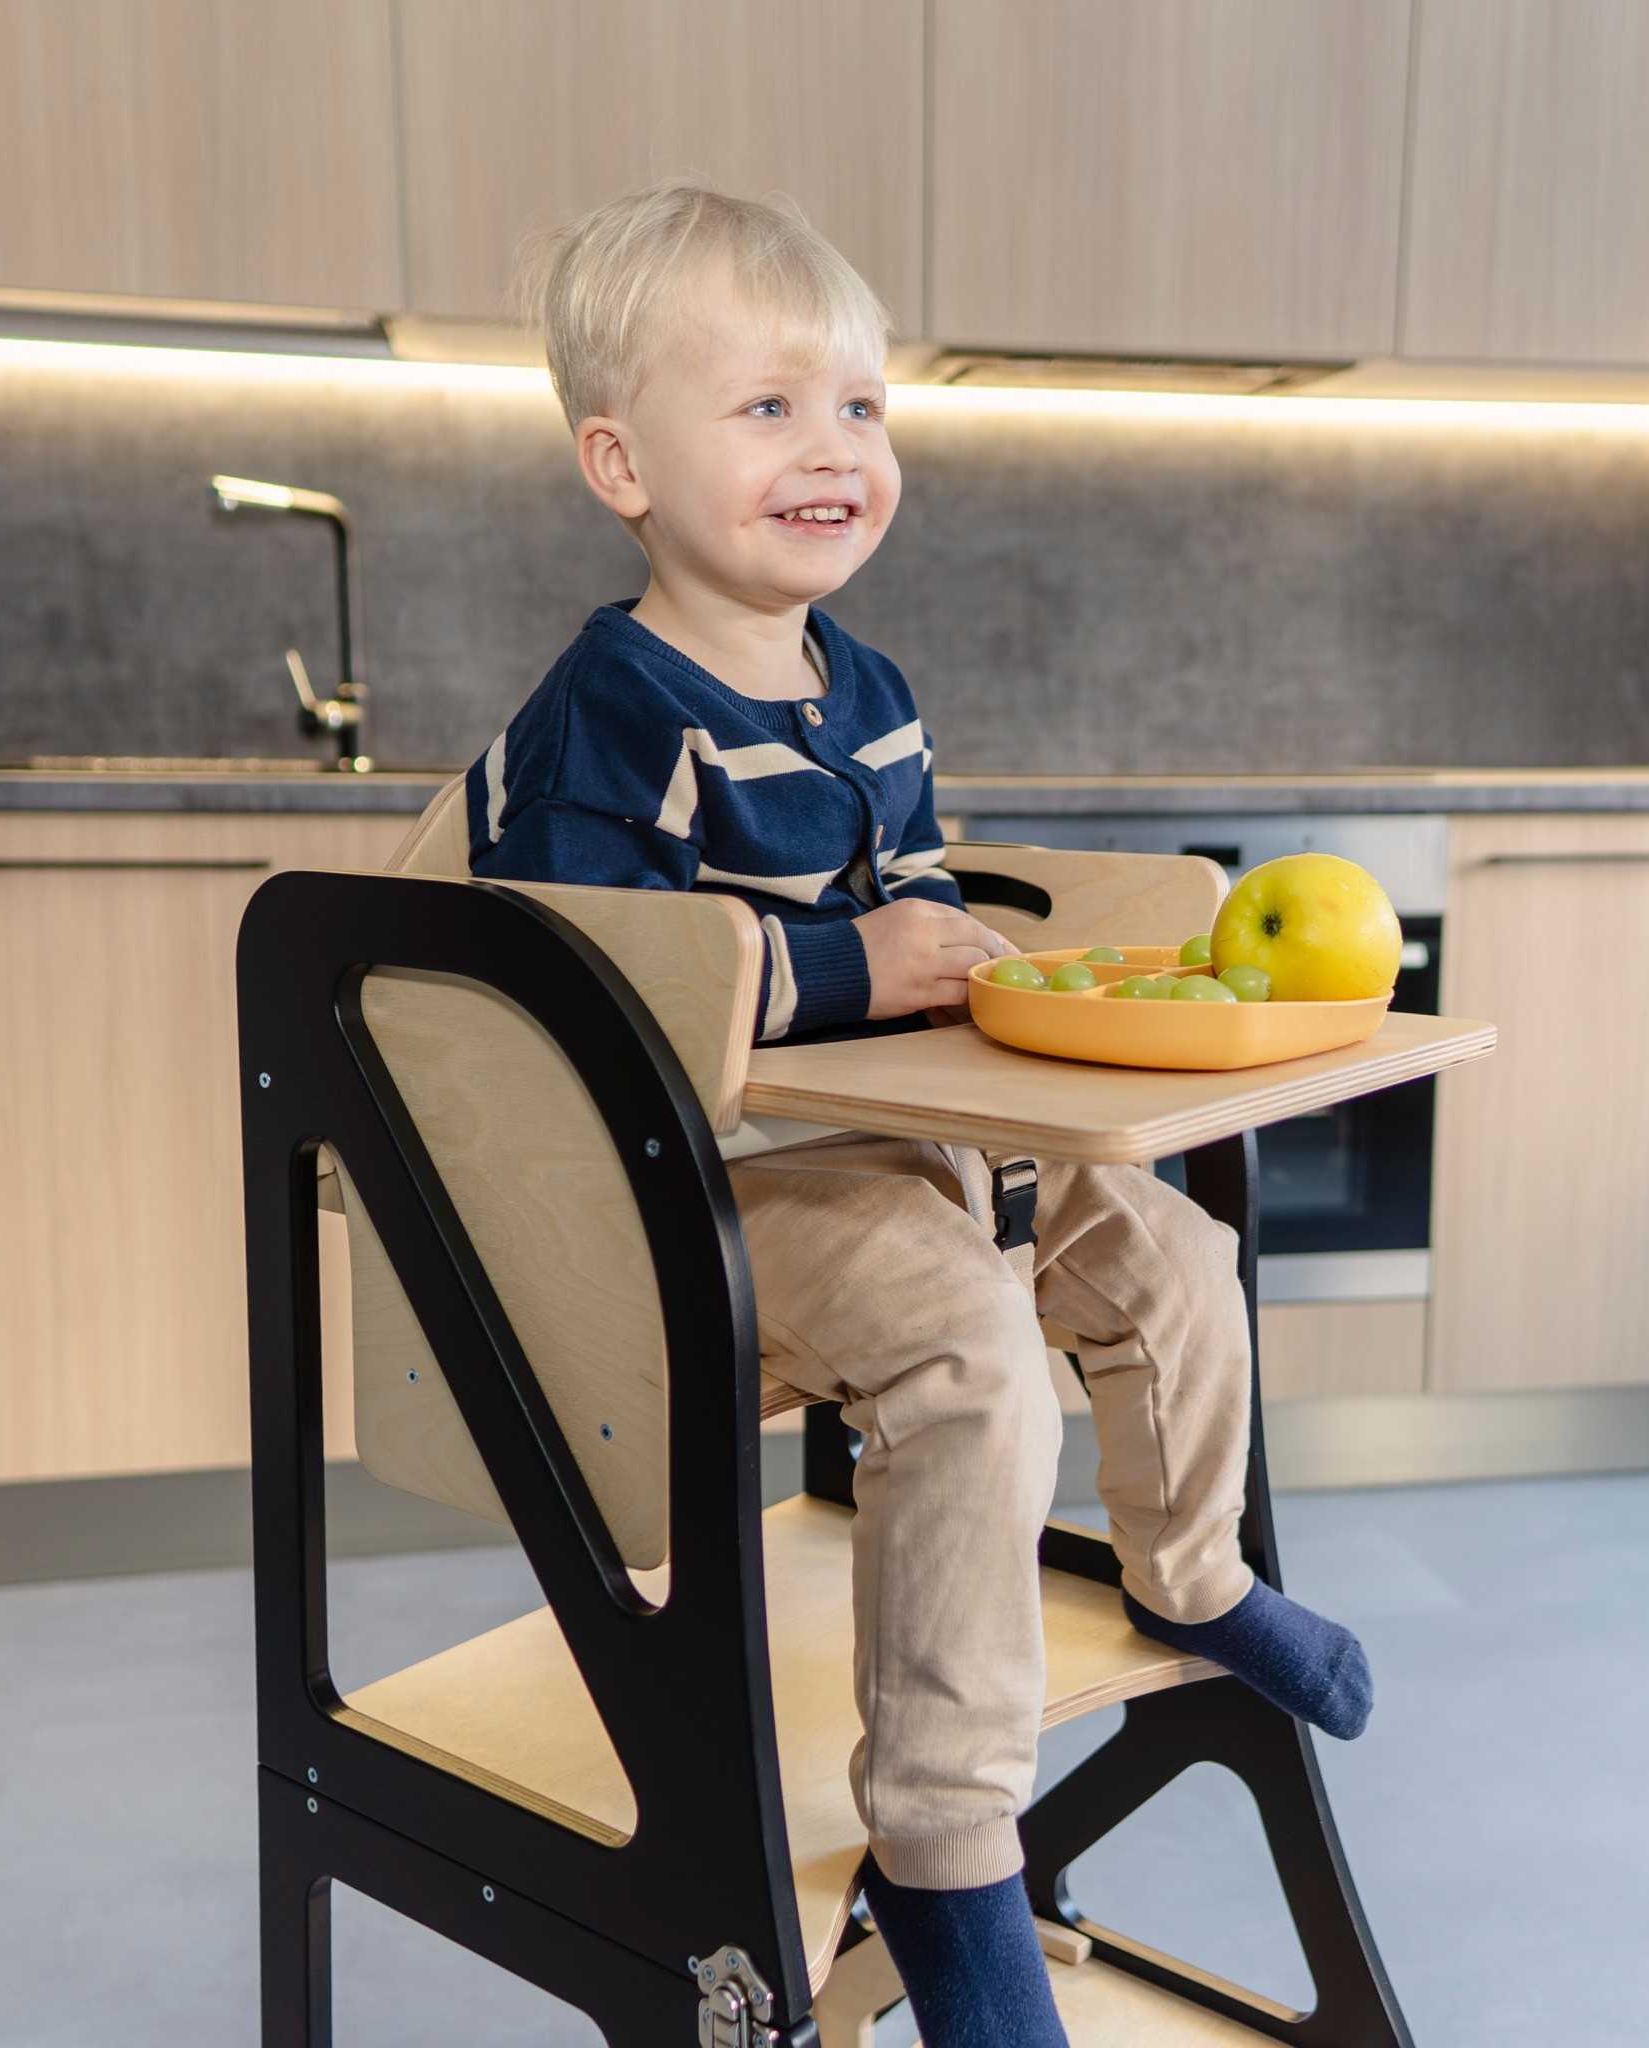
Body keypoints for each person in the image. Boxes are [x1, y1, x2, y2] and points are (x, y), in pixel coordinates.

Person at [466, 177, 1370, 2048]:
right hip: (711, 1187)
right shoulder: (608, 714)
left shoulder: (867, 689)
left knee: (1171, 1254)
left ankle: (1192, 1577)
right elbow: (582, 988)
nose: (835, 448)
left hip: (920, 1148)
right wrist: (854, 973)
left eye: (863, 409)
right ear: (619, 464)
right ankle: (946, 1854)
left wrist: (994, 993)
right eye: (772, 407)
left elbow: (934, 920)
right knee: (967, 1351)